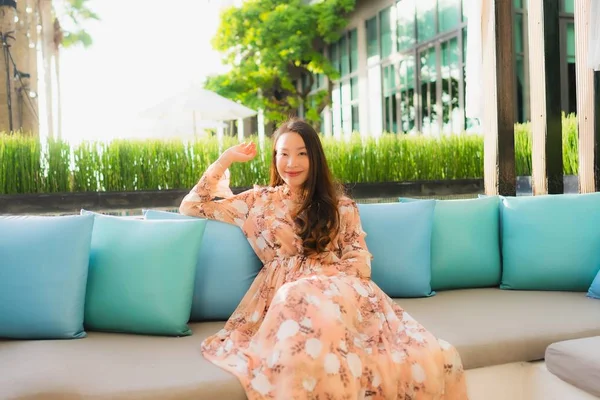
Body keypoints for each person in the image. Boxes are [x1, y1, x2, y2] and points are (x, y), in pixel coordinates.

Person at [179, 118, 468, 399]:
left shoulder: (340, 205)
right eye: (284, 154)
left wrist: (322, 283)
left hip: (337, 290)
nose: (291, 163)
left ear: (315, 158)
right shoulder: (256, 202)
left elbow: (358, 260)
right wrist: (226, 159)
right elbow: (191, 205)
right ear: (275, 158)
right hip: (283, 298)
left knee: (427, 355)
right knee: (297, 307)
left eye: (302, 154)